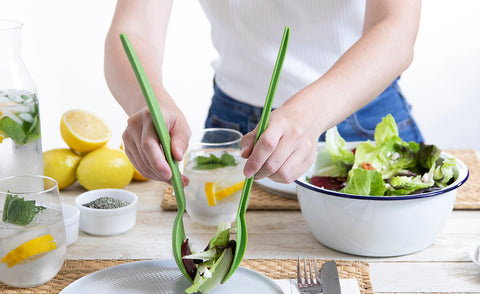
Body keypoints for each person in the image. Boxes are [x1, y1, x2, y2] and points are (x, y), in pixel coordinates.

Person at [104, 0, 423, 185]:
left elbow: (395, 29)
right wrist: (149, 101)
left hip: (362, 119)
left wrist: (307, 115)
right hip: (233, 124)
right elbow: (133, 28)